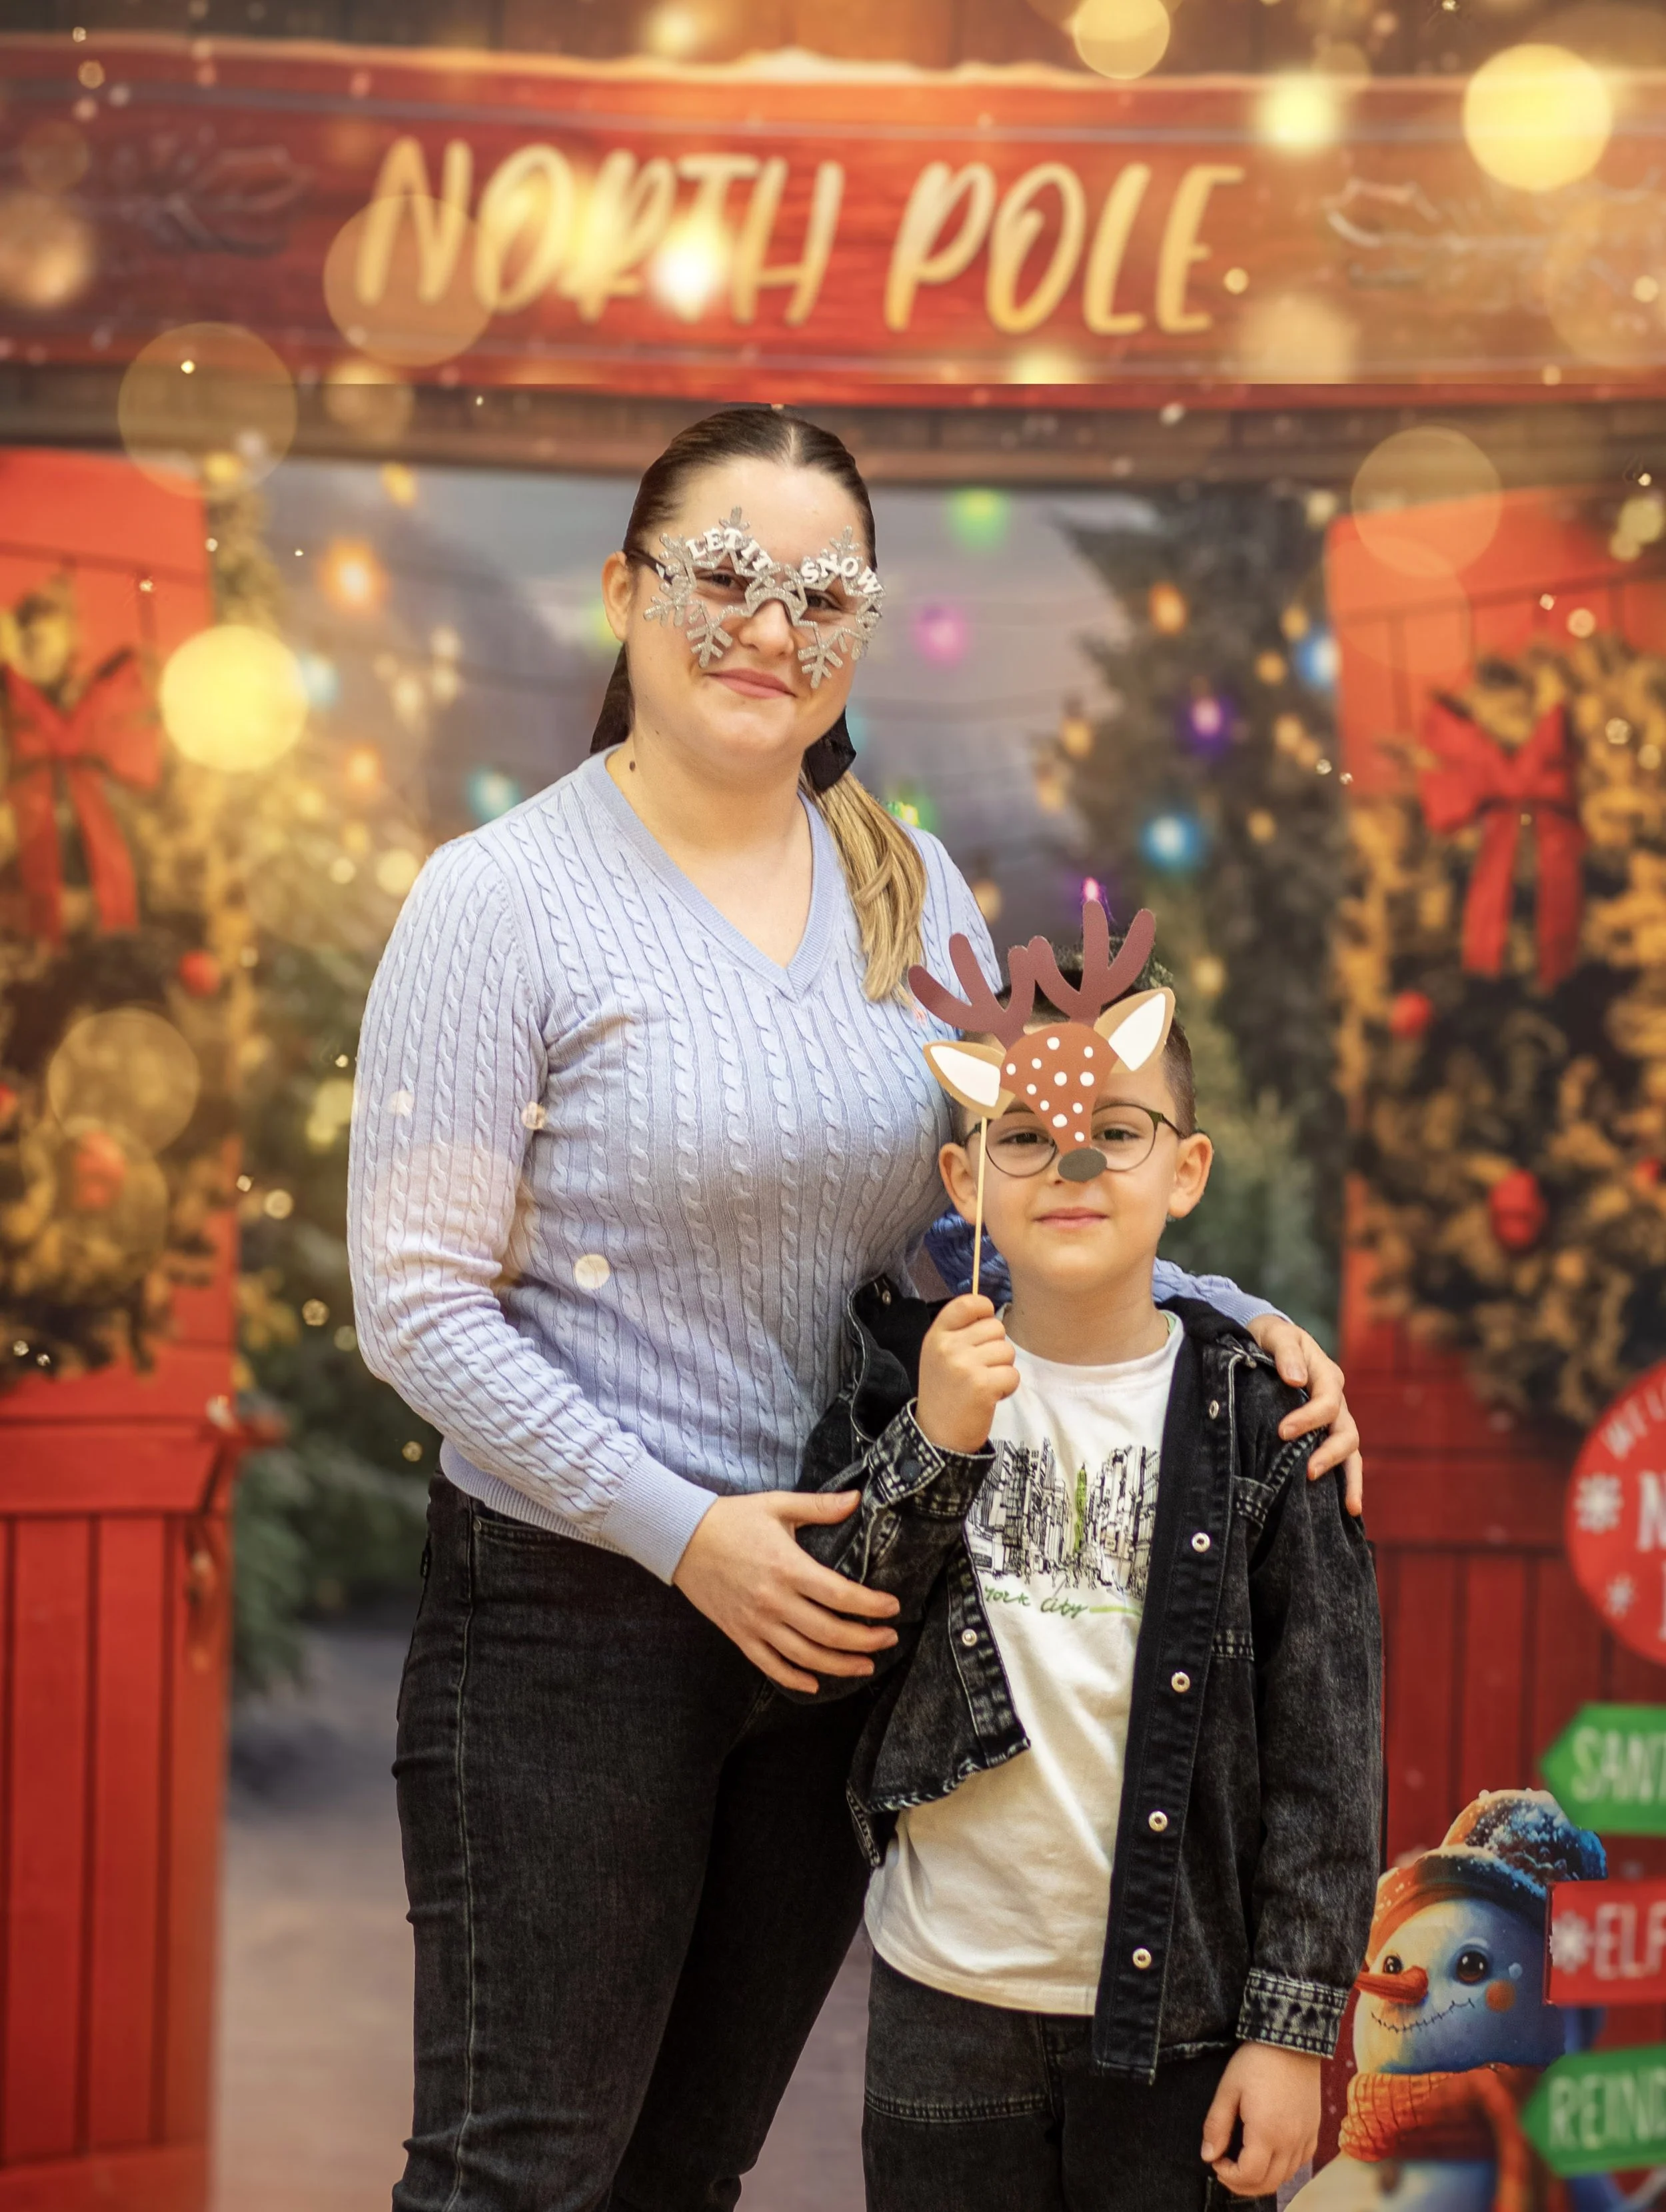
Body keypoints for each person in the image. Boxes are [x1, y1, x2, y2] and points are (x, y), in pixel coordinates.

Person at [347, 405, 1363, 2212]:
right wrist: (683, 1537)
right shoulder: (495, 900)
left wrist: (1219, 1306)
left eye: (821, 591)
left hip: (840, 1606)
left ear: (861, 632)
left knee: (688, 2165)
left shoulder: (904, 885)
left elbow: (979, 1211)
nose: (767, 625)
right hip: (572, 1620)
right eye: (721, 574)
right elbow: (414, 1311)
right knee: (522, 2169)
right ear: (623, 590)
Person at [794, 922, 1383, 2212]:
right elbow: (832, 1643)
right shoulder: (911, 1391)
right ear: (965, 1179)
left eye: (1115, 1131)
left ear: (1185, 1172)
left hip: (1180, 2023)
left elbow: (1327, 1764)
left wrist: (1289, 2032)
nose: (1069, 1161)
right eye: (1023, 1137)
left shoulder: (1268, 1428)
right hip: (945, 2012)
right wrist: (931, 1449)